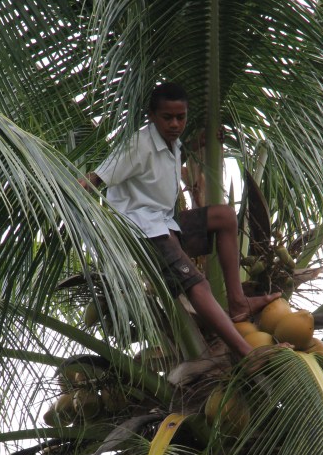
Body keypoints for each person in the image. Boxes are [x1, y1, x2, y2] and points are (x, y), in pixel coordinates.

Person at [79, 82, 282, 359]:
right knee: (198, 284)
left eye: (181, 117)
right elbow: (97, 179)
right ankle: (246, 353)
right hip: (144, 233)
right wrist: (72, 190)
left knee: (223, 217)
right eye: (167, 118)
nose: (175, 124)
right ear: (151, 116)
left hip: (165, 223)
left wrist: (196, 143)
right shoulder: (137, 144)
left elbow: (163, 166)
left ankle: (237, 303)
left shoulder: (172, 143)